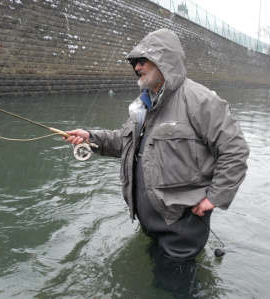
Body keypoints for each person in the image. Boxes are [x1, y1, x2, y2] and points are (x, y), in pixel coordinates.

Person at [65, 29, 249, 262]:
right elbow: (124, 142)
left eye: (143, 61)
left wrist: (214, 197)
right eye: (134, 63)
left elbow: (235, 151)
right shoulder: (142, 105)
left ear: (165, 60)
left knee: (174, 286)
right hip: (150, 222)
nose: (137, 67)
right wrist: (91, 137)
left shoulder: (201, 100)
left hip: (182, 226)